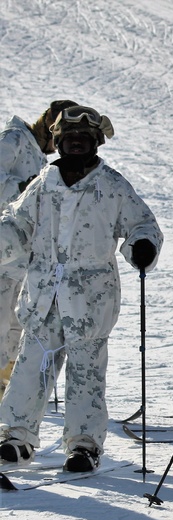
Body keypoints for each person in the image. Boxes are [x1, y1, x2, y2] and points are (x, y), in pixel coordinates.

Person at [0, 105, 162, 472]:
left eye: (83, 139)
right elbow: (17, 224)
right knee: (31, 365)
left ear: (96, 142)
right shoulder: (43, 184)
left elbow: (141, 223)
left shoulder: (112, 185)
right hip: (43, 293)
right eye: (68, 139)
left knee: (86, 372)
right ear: (57, 142)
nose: (75, 144)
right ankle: (16, 437)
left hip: (90, 299)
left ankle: (83, 445)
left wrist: (141, 245)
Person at [0, 100, 79, 397]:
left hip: (22, 258)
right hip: (4, 252)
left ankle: (6, 383)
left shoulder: (38, 157)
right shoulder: (14, 138)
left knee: (15, 325)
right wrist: (23, 188)